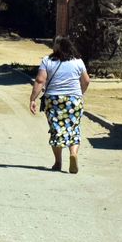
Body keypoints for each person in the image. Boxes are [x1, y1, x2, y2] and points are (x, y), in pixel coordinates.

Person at [29, 36, 91, 173]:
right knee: (74, 129)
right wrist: (79, 94)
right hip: (74, 100)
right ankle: (73, 154)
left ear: (57, 47)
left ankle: (58, 163)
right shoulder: (78, 62)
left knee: (56, 129)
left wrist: (33, 99)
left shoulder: (47, 61)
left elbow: (40, 80)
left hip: (54, 100)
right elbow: (86, 80)